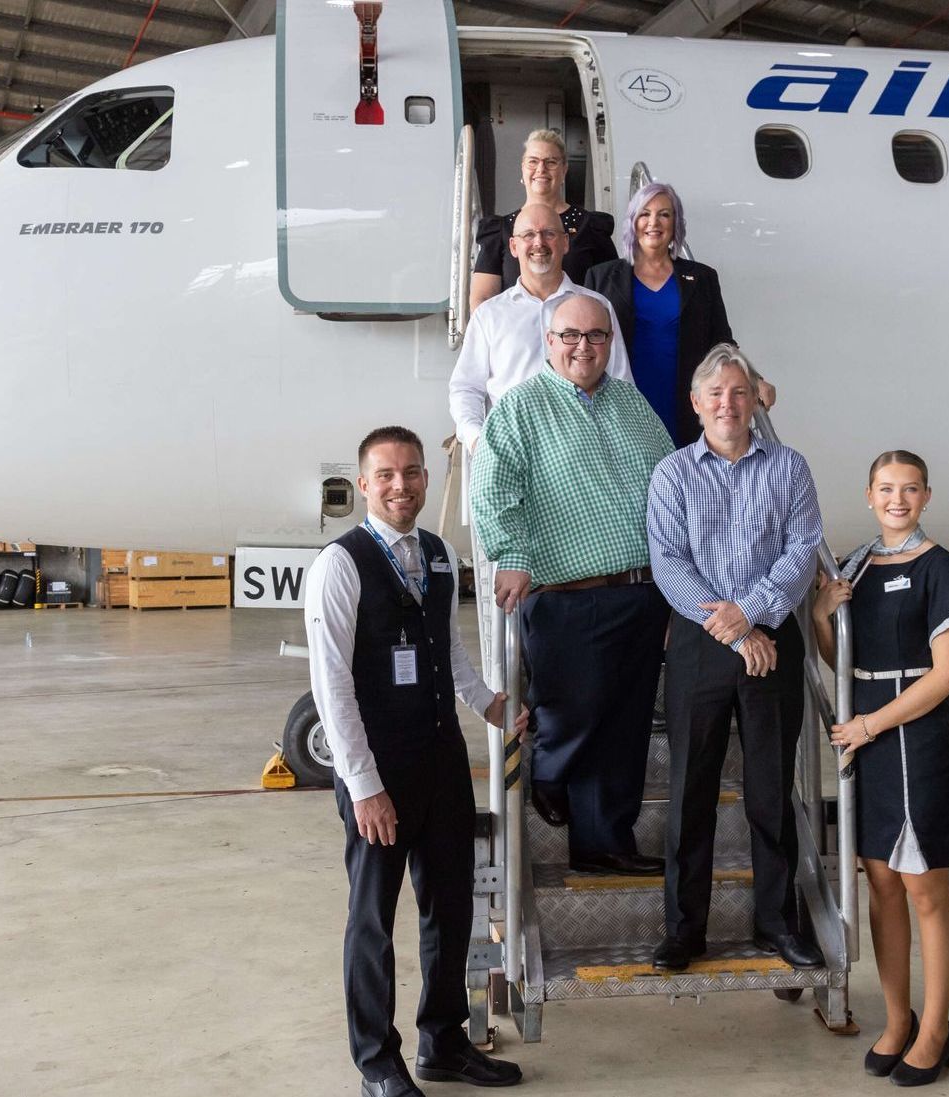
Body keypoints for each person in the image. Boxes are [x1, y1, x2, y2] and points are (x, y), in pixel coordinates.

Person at [305, 426, 523, 1096]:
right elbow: (331, 684)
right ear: (364, 484)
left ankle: (443, 1040)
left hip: (441, 760)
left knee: (450, 906)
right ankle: (376, 1060)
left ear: (427, 479)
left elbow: (445, 646)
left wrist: (486, 701)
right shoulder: (339, 566)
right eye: (387, 475)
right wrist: (364, 785)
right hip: (380, 771)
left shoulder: (436, 554)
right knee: (373, 916)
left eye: (414, 473)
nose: (402, 486)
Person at [472, 295, 675, 875]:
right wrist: (509, 556)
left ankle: (603, 843)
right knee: (574, 711)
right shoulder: (518, 409)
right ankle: (549, 774)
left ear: (610, 344)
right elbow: (492, 489)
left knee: (625, 728)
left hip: (640, 591)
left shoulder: (632, 405)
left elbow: (670, 487)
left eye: (596, 336)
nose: (583, 346)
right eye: (570, 336)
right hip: (566, 596)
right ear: (549, 340)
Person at [645, 346, 825, 973]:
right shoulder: (672, 474)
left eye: (739, 392)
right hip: (702, 643)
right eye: (715, 394)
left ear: (755, 401)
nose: (728, 403)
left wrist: (752, 613)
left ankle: (778, 924)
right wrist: (731, 628)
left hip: (771, 636)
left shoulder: (790, 468)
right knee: (689, 792)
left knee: (771, 793)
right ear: (696, 405)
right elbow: (669, 561)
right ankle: (684, 930)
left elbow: (803, 547)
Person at [813, 450, 949, 1087]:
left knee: (924, 889)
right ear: (869, 496)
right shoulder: (855, 565)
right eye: (886, 489)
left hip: (917, 738)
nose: (897, 500)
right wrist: (824, 613)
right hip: (867, 736)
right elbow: (840, 662)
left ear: (927, 496)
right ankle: (899, 1018)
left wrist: (871, 725)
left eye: (909, 489)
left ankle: (937, 1029)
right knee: (880, 885)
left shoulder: (943, 568)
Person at [584, 182, 774, 446]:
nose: (654, 222)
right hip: (621, 401)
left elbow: (722, 342)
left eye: (664, 214)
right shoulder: (600, 277)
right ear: (633, 221)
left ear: (676, 224)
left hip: (683, 402)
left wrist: (755, 379)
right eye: (645, 214)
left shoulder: (702, 278)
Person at [449, 202, 630, 450]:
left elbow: (622, 385)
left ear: (565, 243)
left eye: (549, 233)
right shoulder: (489, 315)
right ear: (513, 246)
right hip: (512, 450)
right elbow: (466, 388)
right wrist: (476, 440)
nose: (539, 243)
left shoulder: (598, 307)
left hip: (584, 450)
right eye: (528, 235)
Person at [468, 129, 615, 314]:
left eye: (551, 162)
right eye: (533, 161)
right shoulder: (499, 231)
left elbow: (611, 295)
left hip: (576, 339)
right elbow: (482, 300)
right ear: (523, 168)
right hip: (517, 339)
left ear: (564, 170)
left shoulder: (592, 228)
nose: (541, 169)